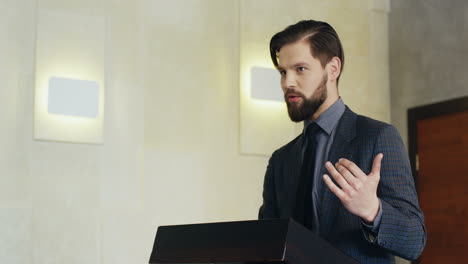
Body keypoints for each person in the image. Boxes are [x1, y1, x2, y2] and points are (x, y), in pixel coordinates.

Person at [258, 20, 426, 264]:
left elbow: (414, 241)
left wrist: (373, 210)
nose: (287, 83)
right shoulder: (280, 160)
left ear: (333, 69)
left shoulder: (378, 137)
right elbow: (266, 245)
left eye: (300, 69)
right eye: (283, 72)